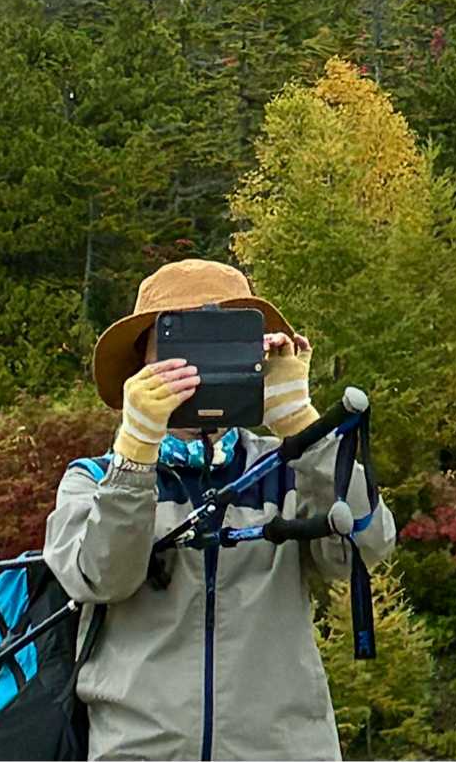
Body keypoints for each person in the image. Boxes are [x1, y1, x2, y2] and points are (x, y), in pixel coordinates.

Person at [44, 258, 395, 761]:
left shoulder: (287, 468)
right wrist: (134, 456)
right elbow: (103, 578)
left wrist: (303, 426)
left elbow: (367, 547)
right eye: (179, 345)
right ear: (142, 364)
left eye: (223, 341)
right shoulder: (94, 480)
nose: (198, 367)